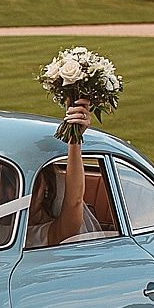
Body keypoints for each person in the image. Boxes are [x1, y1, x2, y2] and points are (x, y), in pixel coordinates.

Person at [32, 100, 104, 247]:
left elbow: (74, 202)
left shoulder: (49, 234)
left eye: (34, 183)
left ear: (45, 188)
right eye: (8, 184)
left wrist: (75, 139)